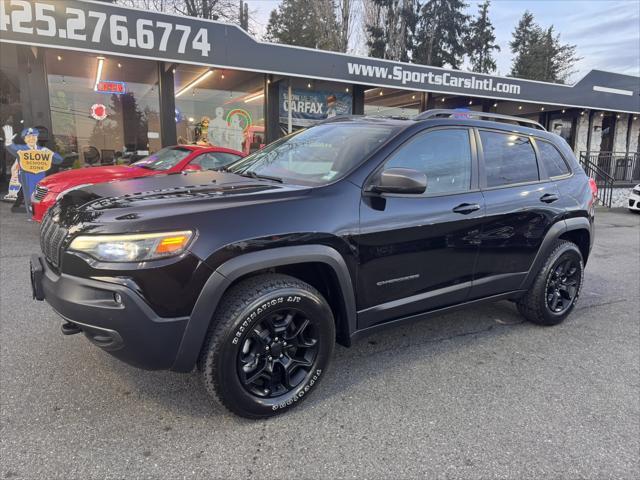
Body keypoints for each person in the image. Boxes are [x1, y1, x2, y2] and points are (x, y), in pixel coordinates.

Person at [2, 125, 63, 213]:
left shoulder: (42, 150)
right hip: (27, 176)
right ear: (25, 139)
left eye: (33, 136)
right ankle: (32, 210)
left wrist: (50, 153)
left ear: (36, 138)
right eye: (28, 137)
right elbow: (13, 148)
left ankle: (37, 210)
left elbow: (59, 160)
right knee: (30, 197)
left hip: (40, 176)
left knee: (39, 197)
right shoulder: (22, 149)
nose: (31, 138)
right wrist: (8, 142)